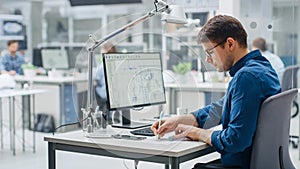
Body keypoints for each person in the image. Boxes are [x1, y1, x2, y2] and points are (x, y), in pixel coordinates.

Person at [151, 15, 281, 169]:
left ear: (230, 44)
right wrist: (179, 121)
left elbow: (235, 140)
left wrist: (197, 133)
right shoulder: (262, 68)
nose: (207, 60)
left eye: (210, 52)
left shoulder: (246, 78)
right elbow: (219, 109)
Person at [95, 42, 120, 123]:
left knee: (96, 89)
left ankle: (101, 117)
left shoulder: (102, 65)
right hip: (117, 94)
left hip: (105, 95)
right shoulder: (119, 63)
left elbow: (96, 79)